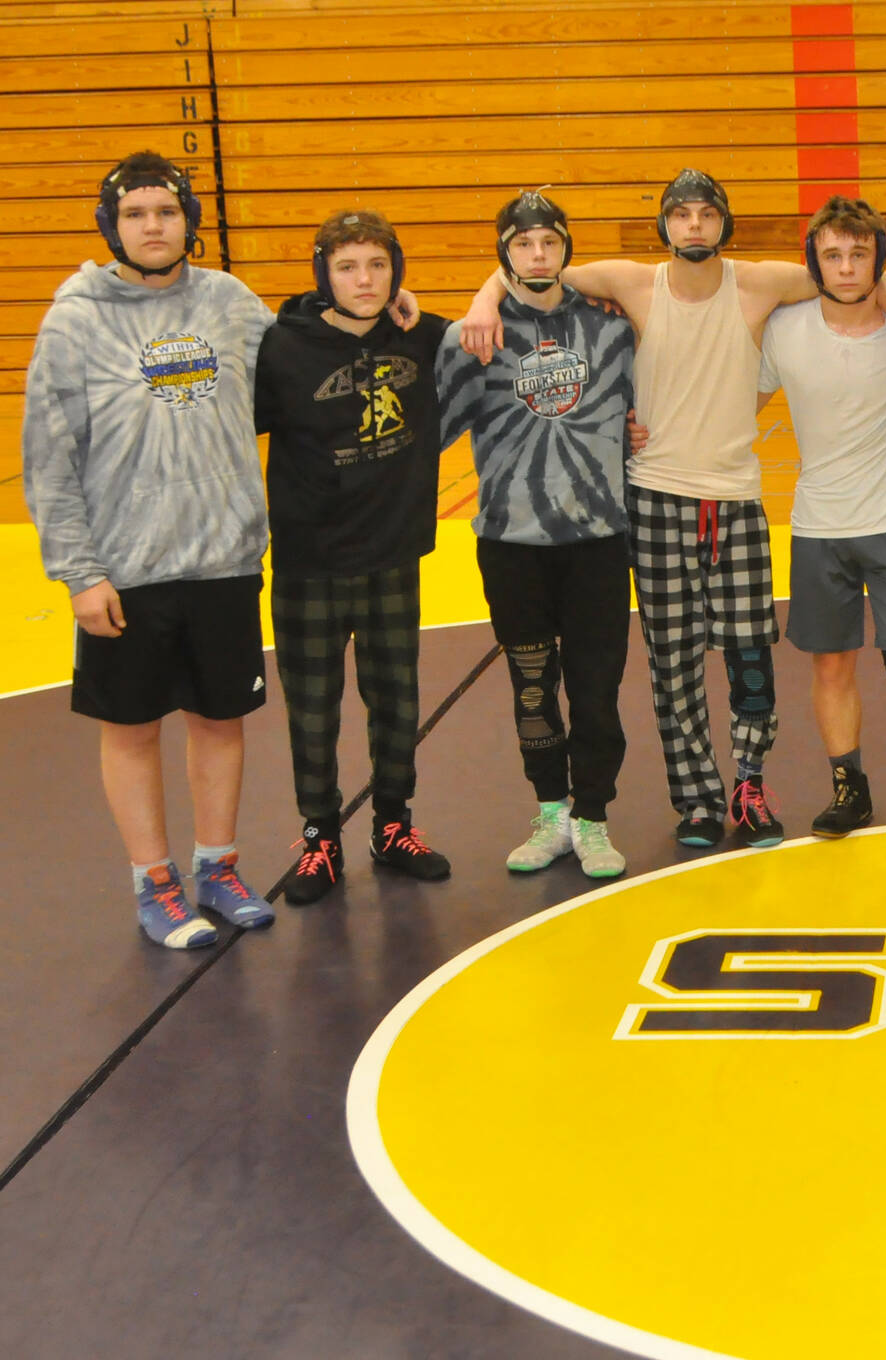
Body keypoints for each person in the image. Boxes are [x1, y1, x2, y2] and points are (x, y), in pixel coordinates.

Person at [460, 168, 886, 851]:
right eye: (681, 215)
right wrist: (481, 303)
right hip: (654, 499)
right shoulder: (631, 282)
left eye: (706, 214)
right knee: (672, 664)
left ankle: (749, 784)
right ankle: (698, 798)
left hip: (736, 500)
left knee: (749, 657)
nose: (694, 226)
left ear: (724, 223)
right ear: (665, 225)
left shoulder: (761, 281)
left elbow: (856, 271)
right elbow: (534, 269)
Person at [22, 152, 276, 947]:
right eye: (135, 215)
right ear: (113, 227)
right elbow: (50, 454)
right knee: (131, 727)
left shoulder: (230, 303)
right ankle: (154, 882)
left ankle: (218, 867)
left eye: (165, 211)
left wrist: (396, 309)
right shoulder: (76, 318)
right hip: (126, 567)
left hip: (223, 557)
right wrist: (79, 571)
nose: (153, 226)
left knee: (218, 718)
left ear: (188, 219)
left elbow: (307, 370)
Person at [258, 209, 455, 904]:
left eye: (377, 265)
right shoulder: (280, 349)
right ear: (323, 274)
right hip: (309, 559)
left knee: (396, 702)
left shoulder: (425, 337)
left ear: (396, 270)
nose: (365, 280)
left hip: (392, 554)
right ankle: (320, 839)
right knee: (312, 708)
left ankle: (393, 825)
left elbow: (511, 331)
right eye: (347, 267)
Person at [438, 190, 635, 879]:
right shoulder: (475, 336)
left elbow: (640, 415)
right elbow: (432, 430)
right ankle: (550, 809)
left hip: (598, 539)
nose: (538, 254)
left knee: (596, 689)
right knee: (531, 686)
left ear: (566, 247)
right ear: (503, 253)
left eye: (549, 241)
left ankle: (593, 816)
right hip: (511, 543)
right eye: (523, 245)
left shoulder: (611, 328)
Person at [756, 196, 886, 859]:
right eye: (832, 255)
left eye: (859, 254)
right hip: (818, 528)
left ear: (879, 262)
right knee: (831, 668)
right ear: (815, 261)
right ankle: (850, 788)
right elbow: (736, 405)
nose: (845, 267)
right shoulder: (784, 330)